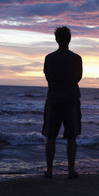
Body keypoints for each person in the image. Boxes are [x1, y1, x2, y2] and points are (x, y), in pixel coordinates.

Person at [42, 26, 83, 179]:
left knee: (50, 136)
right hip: (71, 99)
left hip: (53, 99)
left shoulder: (49, 58)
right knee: (71, 136)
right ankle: (71, 170)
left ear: (56, 40)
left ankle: (49, 171)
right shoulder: (76, 58)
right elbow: (78, 77)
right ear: (69, 40)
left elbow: (47, 76)